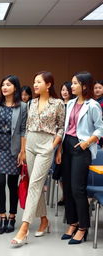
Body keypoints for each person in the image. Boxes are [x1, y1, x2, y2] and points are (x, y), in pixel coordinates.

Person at [11, 71, 65, 247]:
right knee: (36, 183)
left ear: (48, 84)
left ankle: (24, 228)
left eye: (38, 82)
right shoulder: (31, 103)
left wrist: (53, 146)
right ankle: (43, 220)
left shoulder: (57, 103)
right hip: (31, 143)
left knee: (34, 184)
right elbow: (26, 128)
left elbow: (61, 128)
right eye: (34, 82)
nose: (34, 85)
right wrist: (24, 150)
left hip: (46, 145)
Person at [56, 71, 103, 245]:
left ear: (84, 86)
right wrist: (60, 150)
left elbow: (100, 129)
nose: (71, 86)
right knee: (67, 188)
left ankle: (83, 227)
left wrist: (87, 142)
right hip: (67, 145)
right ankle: (72, 222)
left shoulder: (92, 105)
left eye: (75, 83)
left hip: (81, 148)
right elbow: (64, 127)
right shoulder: (70, 104)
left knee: (78, 189)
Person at [0, 75, 27, 234]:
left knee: (12, 185)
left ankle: (12, 217)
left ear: (15, 87)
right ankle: (2, 217)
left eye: (8, 84)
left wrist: (22, 151)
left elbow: (23, 130)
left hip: (14, 149)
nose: (4, 87)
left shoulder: (22, 106)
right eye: (3, 84)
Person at [57, 81, 74, 206]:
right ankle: (65, 195)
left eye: (67, 90)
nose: (64, 92)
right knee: (61, 172)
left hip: (70, 140)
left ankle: (71, 196)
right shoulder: (58, 104)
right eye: (63, 90)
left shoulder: (74, 105)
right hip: (59, 141)